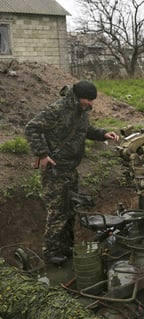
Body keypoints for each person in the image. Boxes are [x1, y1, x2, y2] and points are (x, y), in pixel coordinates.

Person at [25, 80, 119, 264]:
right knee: (57, 211)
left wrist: (103, 134)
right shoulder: (57, 110)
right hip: (55, 169)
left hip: (70, 169)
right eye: (88, 100)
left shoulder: (80, 111)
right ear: (78, 97)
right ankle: (51, 253)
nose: (91, 104)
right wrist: (42, 154)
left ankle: (67, 247)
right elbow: (32, 128)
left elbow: (85, 130)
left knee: (70, 210)